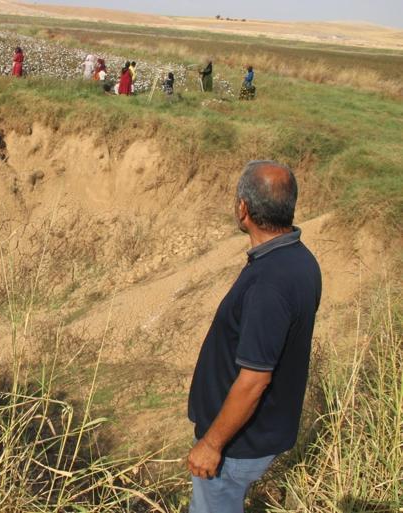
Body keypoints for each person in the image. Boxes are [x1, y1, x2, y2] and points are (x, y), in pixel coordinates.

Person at [187, 160, 322, 513]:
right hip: (261, 430)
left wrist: (212, 444)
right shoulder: (300, 259)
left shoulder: (269, 284)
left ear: (243, 209)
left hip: (238, 442)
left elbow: (254, 380)